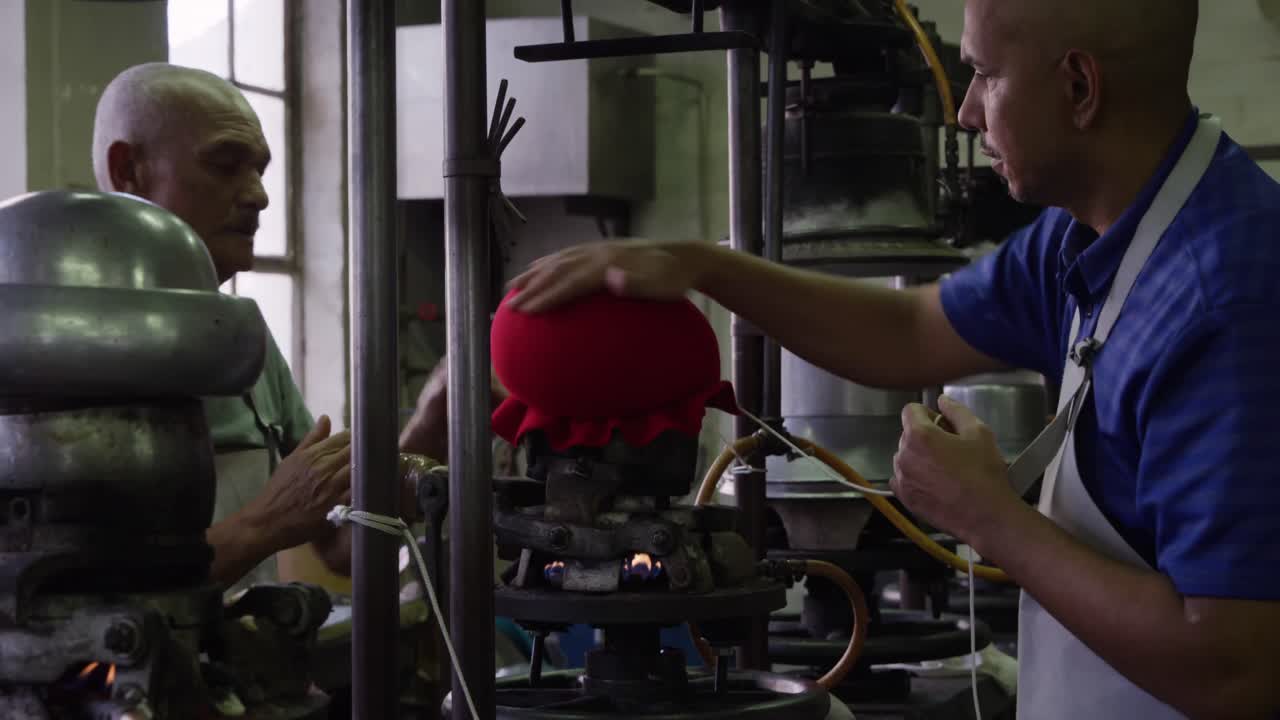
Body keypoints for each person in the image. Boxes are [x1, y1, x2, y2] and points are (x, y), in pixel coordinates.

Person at [504, 1, 1280, 717]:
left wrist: (990, 520)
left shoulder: (1226, 299)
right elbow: (910, 331)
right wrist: (707, 266)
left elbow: (1235, 666)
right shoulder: (1092, 233)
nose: (966, 111)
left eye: (984, 74)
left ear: (1079, 86)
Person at [92, 62, 452, 593]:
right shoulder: (54, 355)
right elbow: (81, 596)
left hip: (240, 669)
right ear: (129, 170)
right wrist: (263, 524)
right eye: (225, 165)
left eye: (259, 169)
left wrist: (435, 420)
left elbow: (340, 547)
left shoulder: (243, 341)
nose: (258, 195)